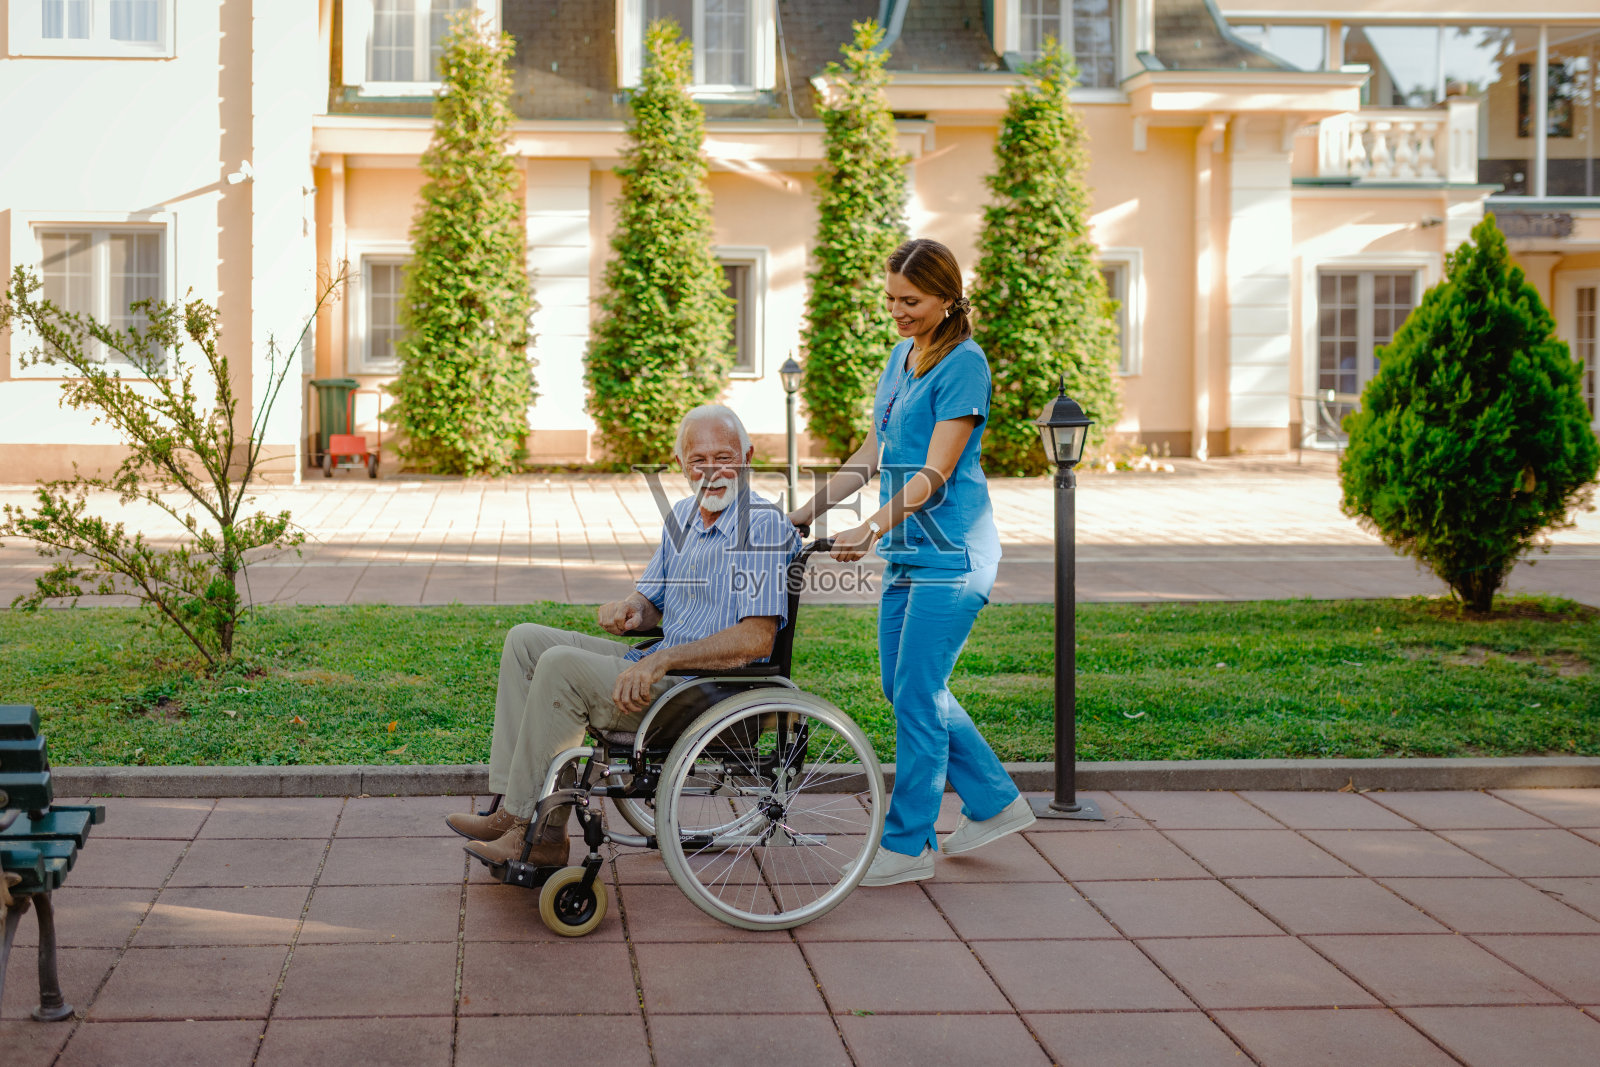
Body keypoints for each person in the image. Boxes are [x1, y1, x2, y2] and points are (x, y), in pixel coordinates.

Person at [446, 404, 798, 866]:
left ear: (748, 458)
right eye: (698, 460)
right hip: (663, 669)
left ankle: (542, 834)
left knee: (560, 666)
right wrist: (629, 610)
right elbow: (651, 604)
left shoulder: (762, 526)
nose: (711, 472)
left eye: (724, 457)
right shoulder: (683, 517)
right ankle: (510, 808)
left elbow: (756, 639)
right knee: (526, 641)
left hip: (705, 691)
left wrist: (663, 660)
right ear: (680, 465)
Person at [788, 237, 1032, 886]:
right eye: (891, 298)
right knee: (902, 688)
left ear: (947, 298)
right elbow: (872, 453)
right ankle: (994, 800)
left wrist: (870, 526)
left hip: (954, 555)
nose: (897, 311)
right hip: (908, 551)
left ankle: (908, 844)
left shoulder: (965, 365)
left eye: (912, 300)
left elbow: (935, 471)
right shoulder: (901, 356)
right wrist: (804, 512)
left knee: (918, 694)